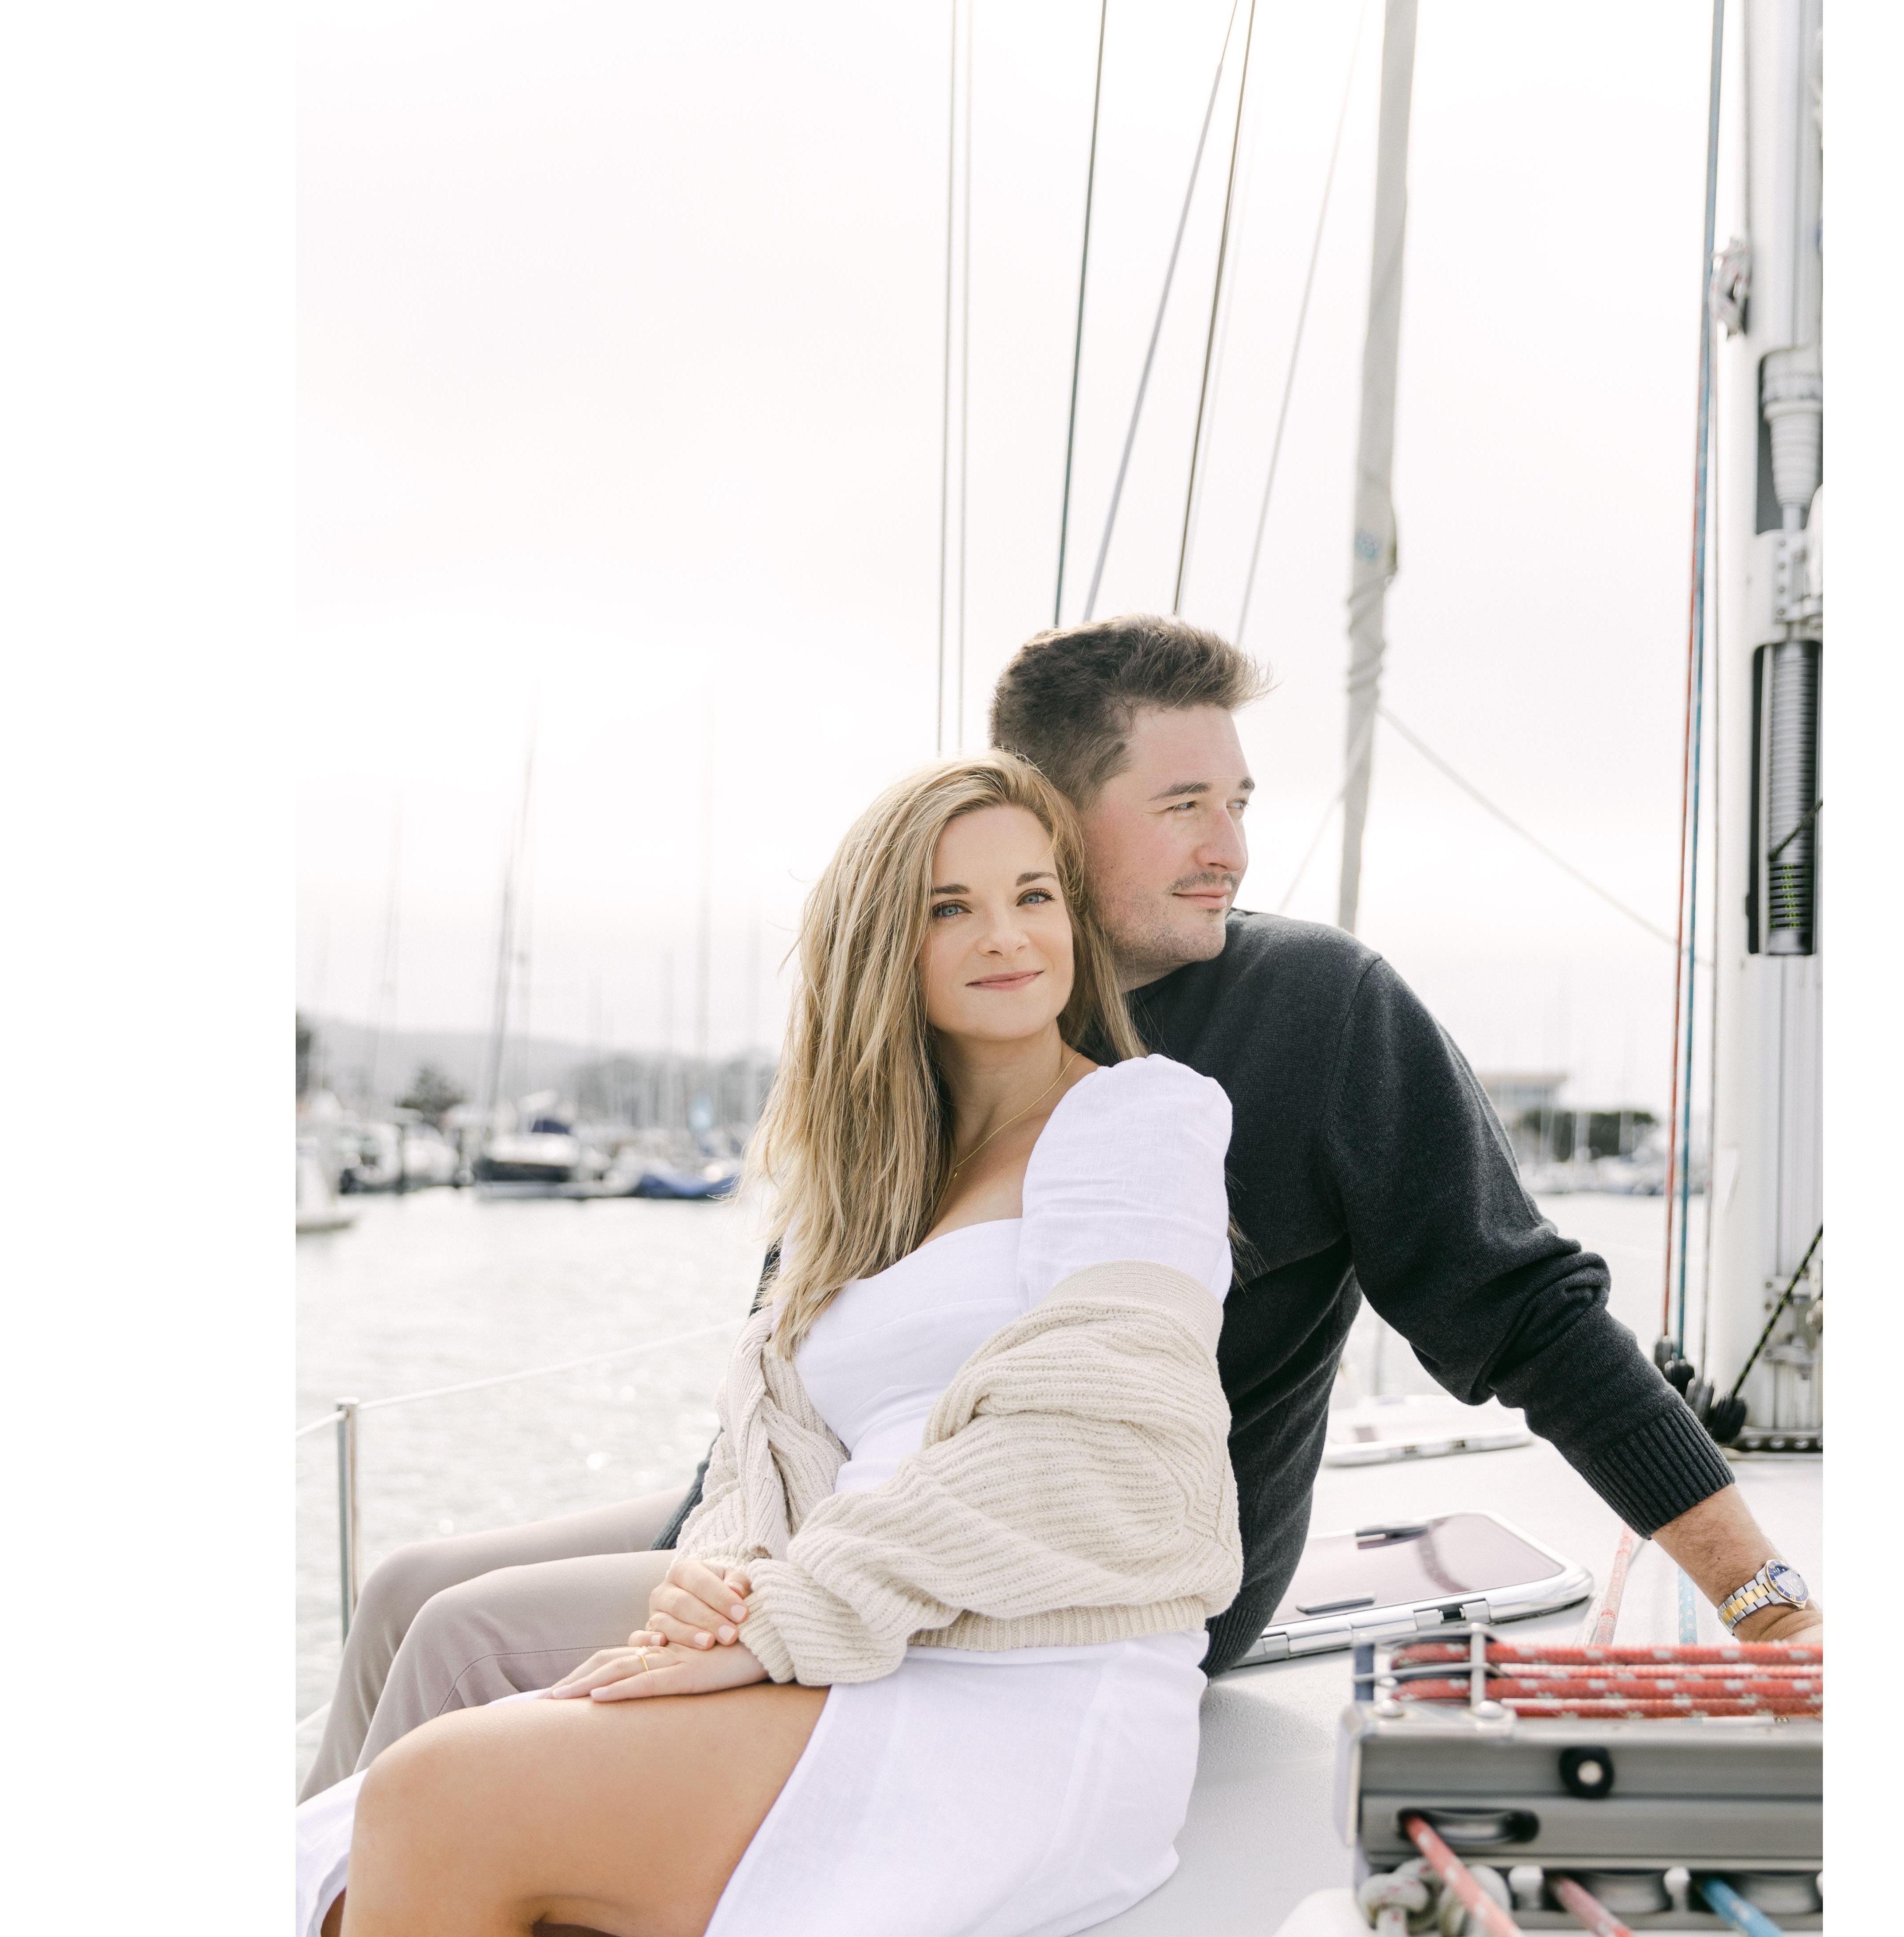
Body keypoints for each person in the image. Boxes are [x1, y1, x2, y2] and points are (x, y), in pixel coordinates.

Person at [301, 615, 1817, 1804]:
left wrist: (1763, 1604)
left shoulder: (1318, 1014)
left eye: (1236, 801)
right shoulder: (926, 1023)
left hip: (1071, 1578)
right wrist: (713, 1550)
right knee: (404, 1592)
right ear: (1049, 812)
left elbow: (1527, 1315)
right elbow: (789, 1358)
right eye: (1182, 806)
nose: (1230, 845)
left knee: (463, 1642)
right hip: (825, 1518)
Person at [297, 756, 1243, 1937]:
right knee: (330, 1900)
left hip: (1024, 1694)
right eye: (954, 906)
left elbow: (1094, 1433)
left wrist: (785, 1618)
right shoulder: (882, 1181)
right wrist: (724, 1586)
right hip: (857, 1660)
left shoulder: (1137, 1120)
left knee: (433, 1803)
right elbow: (769, 1464)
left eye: (1034, 895)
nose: (1009, 937)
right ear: (894, 947)